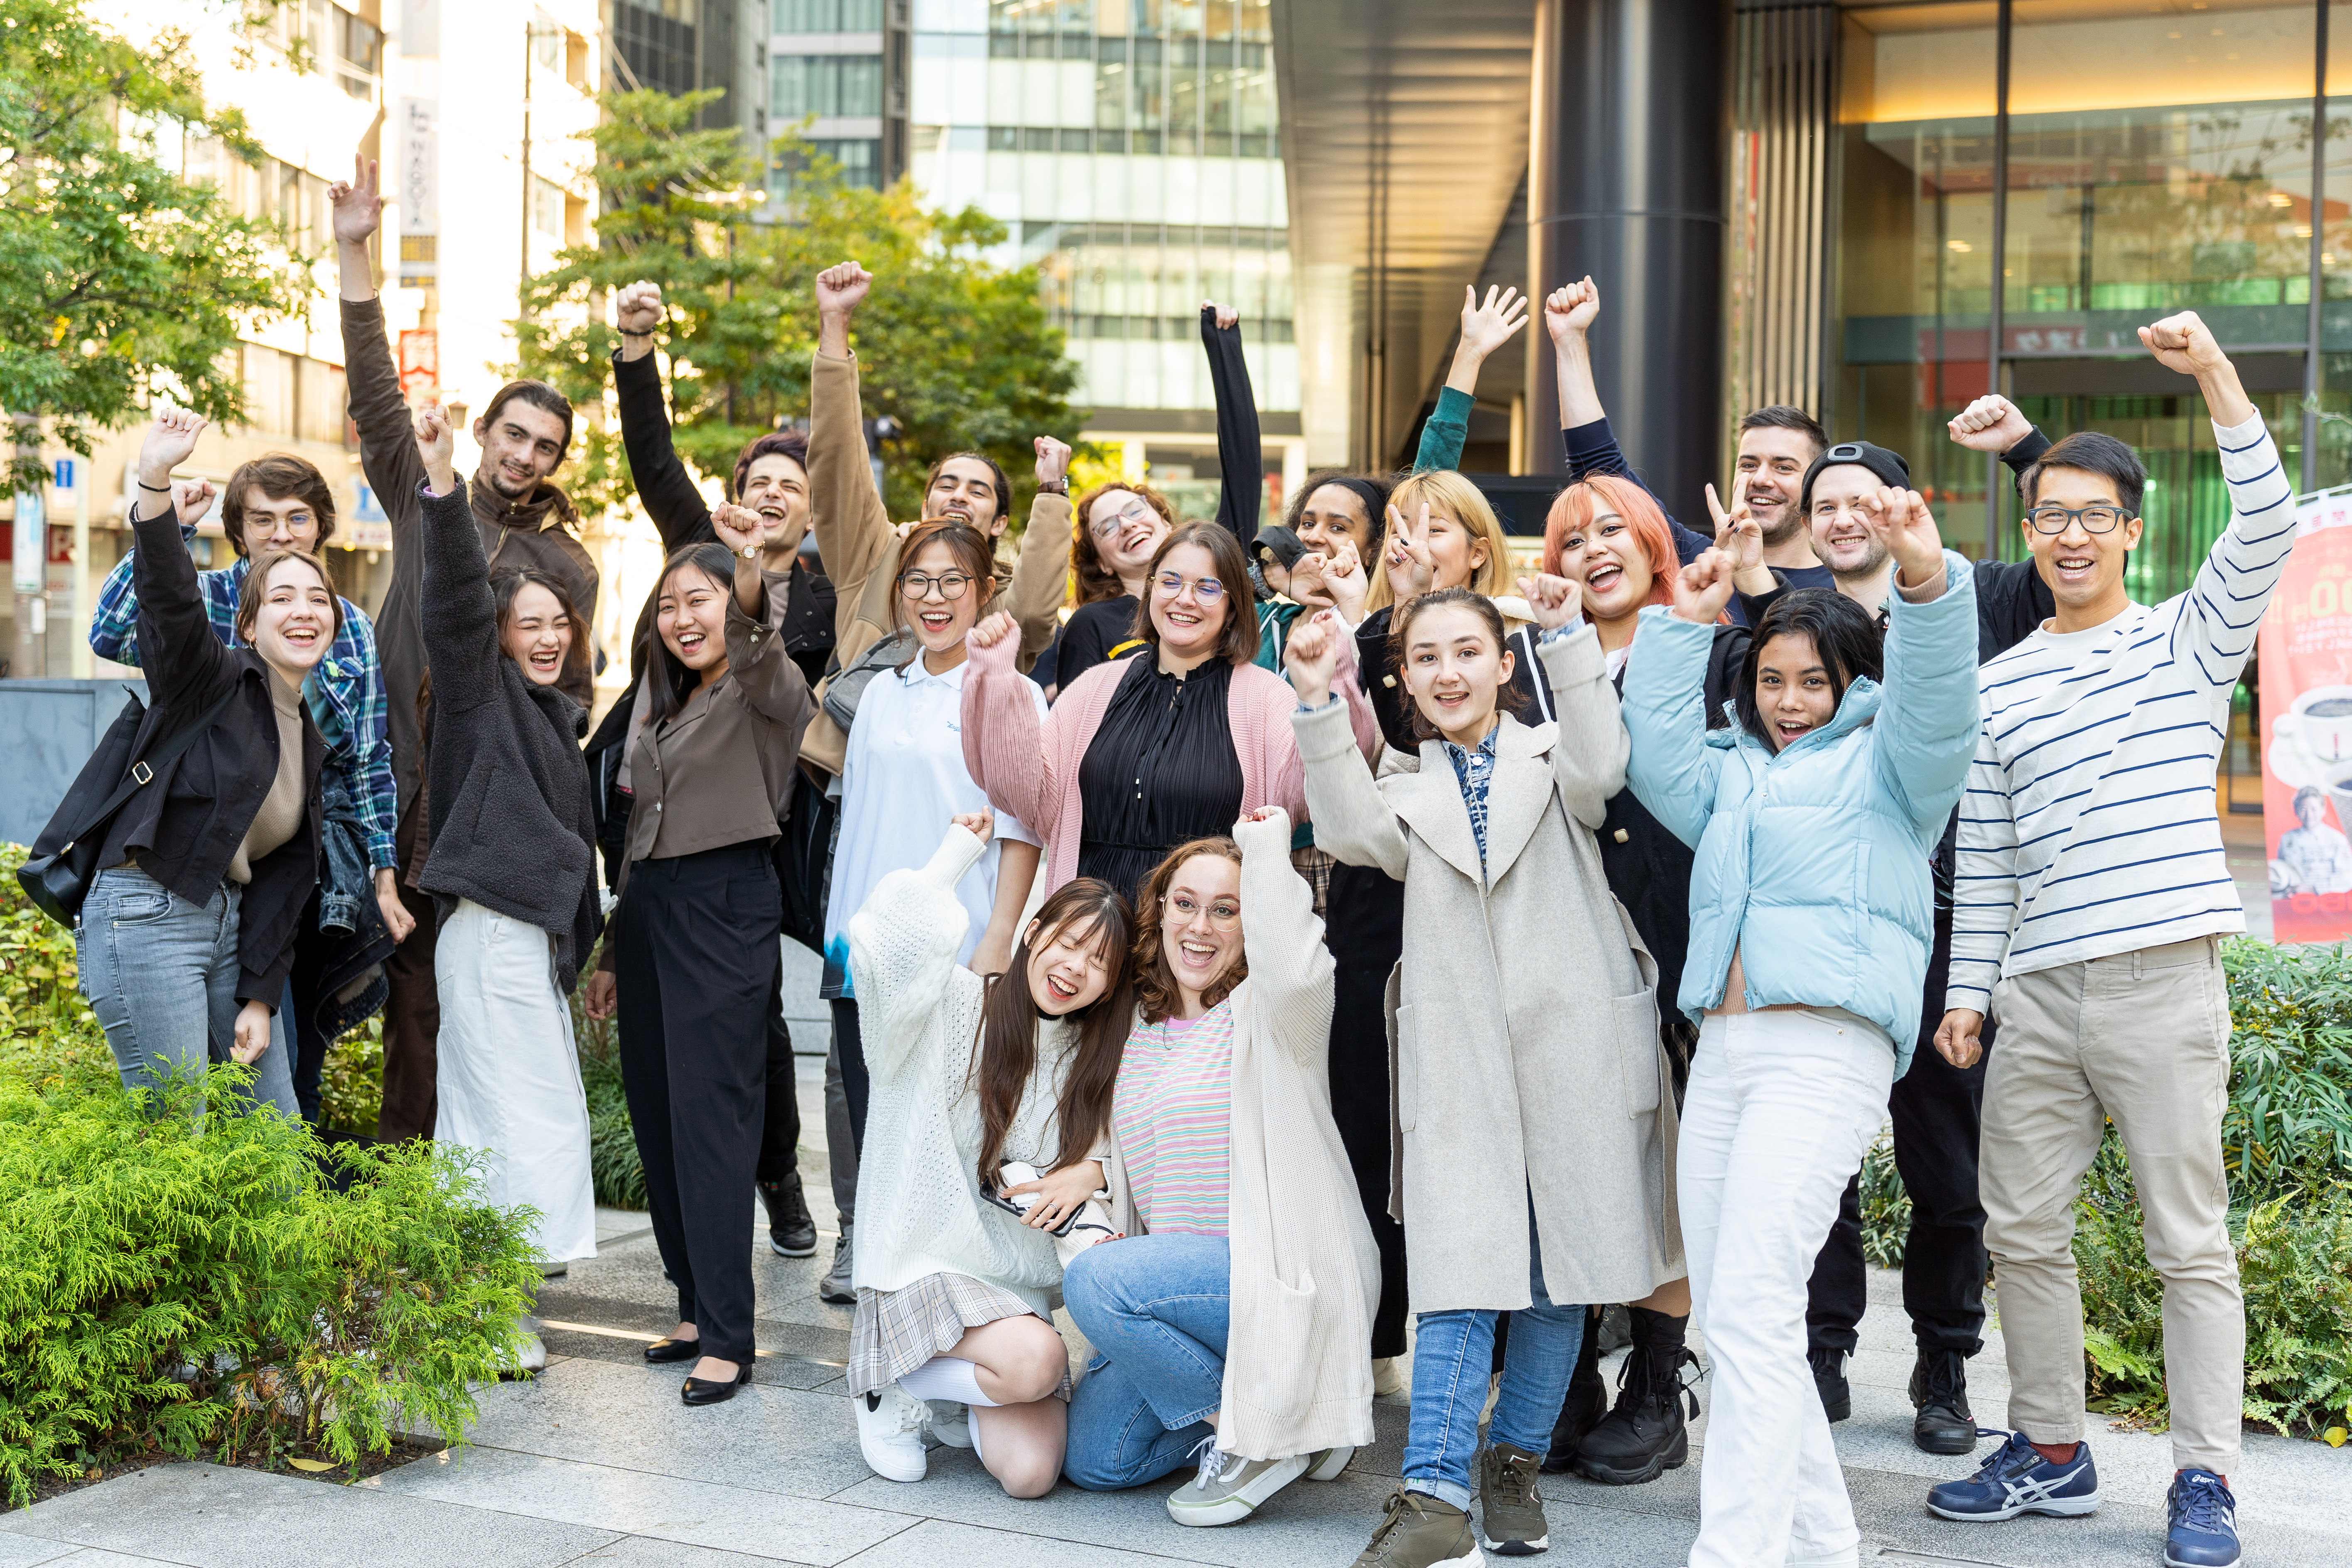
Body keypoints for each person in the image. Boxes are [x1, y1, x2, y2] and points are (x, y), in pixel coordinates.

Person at [1929, 313, 2288, 1568]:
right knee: (2020, 1230)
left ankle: (2204, 1475)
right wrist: (1968, 991)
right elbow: (1987, 856)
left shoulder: (2188, 641)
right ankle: (2050, 1448)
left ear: (2132, 529)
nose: (2069, 534)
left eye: (2092, 514)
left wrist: (2213, 374)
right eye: (2049, 515)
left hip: (2159, 980)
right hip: (2035, 992)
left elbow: (2266, 526)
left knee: (2186, 1240)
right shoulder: (1998, 681)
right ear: (2027, 530)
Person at [1619, 479, 1979, 1568]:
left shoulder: (1894, 769)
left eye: (1811, 681)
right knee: (1741, 1316)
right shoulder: (1732, 772)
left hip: (1822, 1049)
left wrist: (1924, 580)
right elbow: (1651, 755)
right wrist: (1685, 620)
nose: (1786, 700)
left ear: (1852, 681)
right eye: (1770, 679)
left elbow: (1936, 702)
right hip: (1724, 1051)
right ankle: (1824, 1543)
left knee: (1751, 1303)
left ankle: (1733, 1552)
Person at [1290, 585, 1682, 1567]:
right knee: (1458, 1273)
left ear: (1505, 664)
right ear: (1405, 678)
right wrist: (1315, 699)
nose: (1447, 672)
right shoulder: (1402, 784)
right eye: (1425, 657)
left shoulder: (1554, 756)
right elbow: (1347, 832)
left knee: (1558, 1277)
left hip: (1575, 1049)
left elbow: (1602, 767)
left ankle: (1511, 1467)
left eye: (1467, 651)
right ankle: (1430, 1495)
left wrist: (1566, 638)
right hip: (1457, 1055)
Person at [331, 155, 597, 1147]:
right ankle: (406, 1202)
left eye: (544, 447)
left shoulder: (564, 565)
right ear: (484, 430)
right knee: (396, 1011)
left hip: (487, 820)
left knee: (473, 1019)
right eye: (513, 434)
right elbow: (375, 390)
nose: (523, 455)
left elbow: (566, 706)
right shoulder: (422, 494)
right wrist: (355, 252)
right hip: (392, 795)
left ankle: (478, 1203)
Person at [1534, 471, 1770, 1485]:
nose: (1592, 549)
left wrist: (1745, 585)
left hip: (1679, 938)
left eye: (1611, 531)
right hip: (1565, 940)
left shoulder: (1718, 649)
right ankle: (1567, 1378)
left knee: (1666, 1159)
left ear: (1651, 546)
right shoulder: (1535, 660)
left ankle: (1656, 1386)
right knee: (1576, 1152)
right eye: (1570, 537)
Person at [597, 276, 835, 1262]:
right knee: (703, 1035)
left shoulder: (825, 595)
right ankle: (735, 1204)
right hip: (666, 807)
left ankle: (776, 1175)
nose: (772, 494)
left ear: (813, 508)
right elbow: (653, 461)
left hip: (769, 823)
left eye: (792, 484)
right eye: (759, 480)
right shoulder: (696, 563)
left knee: (755, 1022)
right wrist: (636, 350)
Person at [1058, 812, 1378, 1529]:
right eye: (1185, 903)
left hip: (1270, 1273)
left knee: (1096, 1282)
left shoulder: (1272, 1013)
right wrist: (1097, 1172)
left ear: (1249, 922)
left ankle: (1257, 1439)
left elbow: (1299, 964)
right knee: (1096, 1459)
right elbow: (1126, 1143)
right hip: (1180, 1293)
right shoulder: (1134, 1027)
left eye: (1225, 909)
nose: (1200, 926)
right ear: (1159, 912)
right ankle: (1294, 1417)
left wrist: (1266, 852)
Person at [86, 452, 409, 1125]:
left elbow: (367, 758)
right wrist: (165, 520)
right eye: (263, 520)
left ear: (321, 526)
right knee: (184, 1117)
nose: (282, 533)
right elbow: (115, 630)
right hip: (178, 885)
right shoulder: (206, 609)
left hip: (296, 874)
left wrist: (382, 873)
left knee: (288, 1080)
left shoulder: (345, 625)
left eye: (297, 518)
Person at [579, 522, 818, 1408]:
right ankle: (691, 1306)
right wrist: (614, 946)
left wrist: (749, 564)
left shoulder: (765, 689)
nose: (683, 618)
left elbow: (757, 637)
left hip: (724, 903)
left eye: (701, 600)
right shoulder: (670, 701)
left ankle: (728, 1336)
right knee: (659, 1117)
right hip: (650, 910)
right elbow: (639, 834)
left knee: (713, 1122)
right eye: (669, 604)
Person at [843, 813, 1134, 1496]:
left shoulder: (1095, 1065)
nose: (1075, 967)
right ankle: (886, 1382)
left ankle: (948, 1389)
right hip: (919, 1268)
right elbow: (881, 941)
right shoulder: (950, 1004)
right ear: (1032, 932)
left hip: (1010, 1295)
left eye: (1098, 962)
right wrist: (954, 857)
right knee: (1037, 1360)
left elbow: (1137, 1153)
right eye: (1067, 942)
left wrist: (1094, 1169)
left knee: (1032, 1474)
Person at [408, 402, 603, 1364]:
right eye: (528, 624)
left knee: (517, 1120)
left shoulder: (552, 718)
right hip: (489, 935)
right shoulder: (480, 696)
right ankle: (492, 1311)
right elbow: (451, 596)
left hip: (524, 945)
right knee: (506, 1123)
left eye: (558, 623)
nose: (548, 636)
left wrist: (583, 953)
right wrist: (444, 482)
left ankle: (489, 1300)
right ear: (494, 636)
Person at [76, 407, 330, 1124]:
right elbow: (170, 599)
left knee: (274, 1136)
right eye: (282, 598)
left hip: (228, 924)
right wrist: (155, 481)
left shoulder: (307, 736)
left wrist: (258, 996)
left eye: (318, 599)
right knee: (173, 1133)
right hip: (148, 910)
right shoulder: (208, 676)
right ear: (248, 624)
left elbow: (283, 879)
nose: (303, 610)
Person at [961, 522, 1375, 904]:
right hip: (1090, 931)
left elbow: (1317, 794)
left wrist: (1325, 684)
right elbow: (1030, 798)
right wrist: (998, 679)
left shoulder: (1266, 698)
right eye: (1170, 581)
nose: (1184, 598)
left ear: (1233, 604)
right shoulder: (1094, 688)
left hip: (1203, 936)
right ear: (1150, 590)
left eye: (1208, 587)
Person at [821, 519, 1049, 1172]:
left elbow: (1022, 826)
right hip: (863, 950)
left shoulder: (1013, 693)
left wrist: (998, 939)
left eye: (952, 581)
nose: (933, 597)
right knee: (872, 1133)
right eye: (917, 580)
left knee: (940, 1147)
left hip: (956, 951)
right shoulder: (878, 693)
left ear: (984, 590)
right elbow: (859, 820)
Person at [1059, 479, 1176, 694]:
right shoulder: (1091, 625)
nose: (1127, 525)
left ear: (1166, 521)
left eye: (1135, 510)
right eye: (1108, 528)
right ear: (1101, 563)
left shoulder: (1212, 597)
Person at [2273, 784, 2352, 895]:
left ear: (2323, 810)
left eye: (2314, 809)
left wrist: (2315, 889)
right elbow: (2281, 872)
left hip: (2329, 900)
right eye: (2303, 809)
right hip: (2294, 900)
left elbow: (2347, 877)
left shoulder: (2337, 839)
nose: (2309, 815)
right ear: (2296, 811)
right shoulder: (2287, 839)